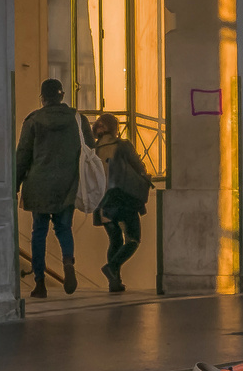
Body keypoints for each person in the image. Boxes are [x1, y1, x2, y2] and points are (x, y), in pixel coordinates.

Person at [15, 79, 85, 298]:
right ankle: (68, 262)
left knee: (39, 232)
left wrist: (14, 185)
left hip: (39, 184)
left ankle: (40, 282)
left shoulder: (33, 120)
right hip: (67, 183)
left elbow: (23, 155)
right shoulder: (77, 119)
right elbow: (89, 148)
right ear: (62, 96)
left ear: (42, 98)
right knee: (64, 228)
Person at [91, 114, 150, 294]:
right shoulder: (123, 146)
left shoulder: (93, 150)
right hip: (123, 200)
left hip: (102, 202)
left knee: (114, 240)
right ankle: (112, 267)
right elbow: (140, 167)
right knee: (133, 239)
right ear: (115, 127)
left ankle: (114, 283)